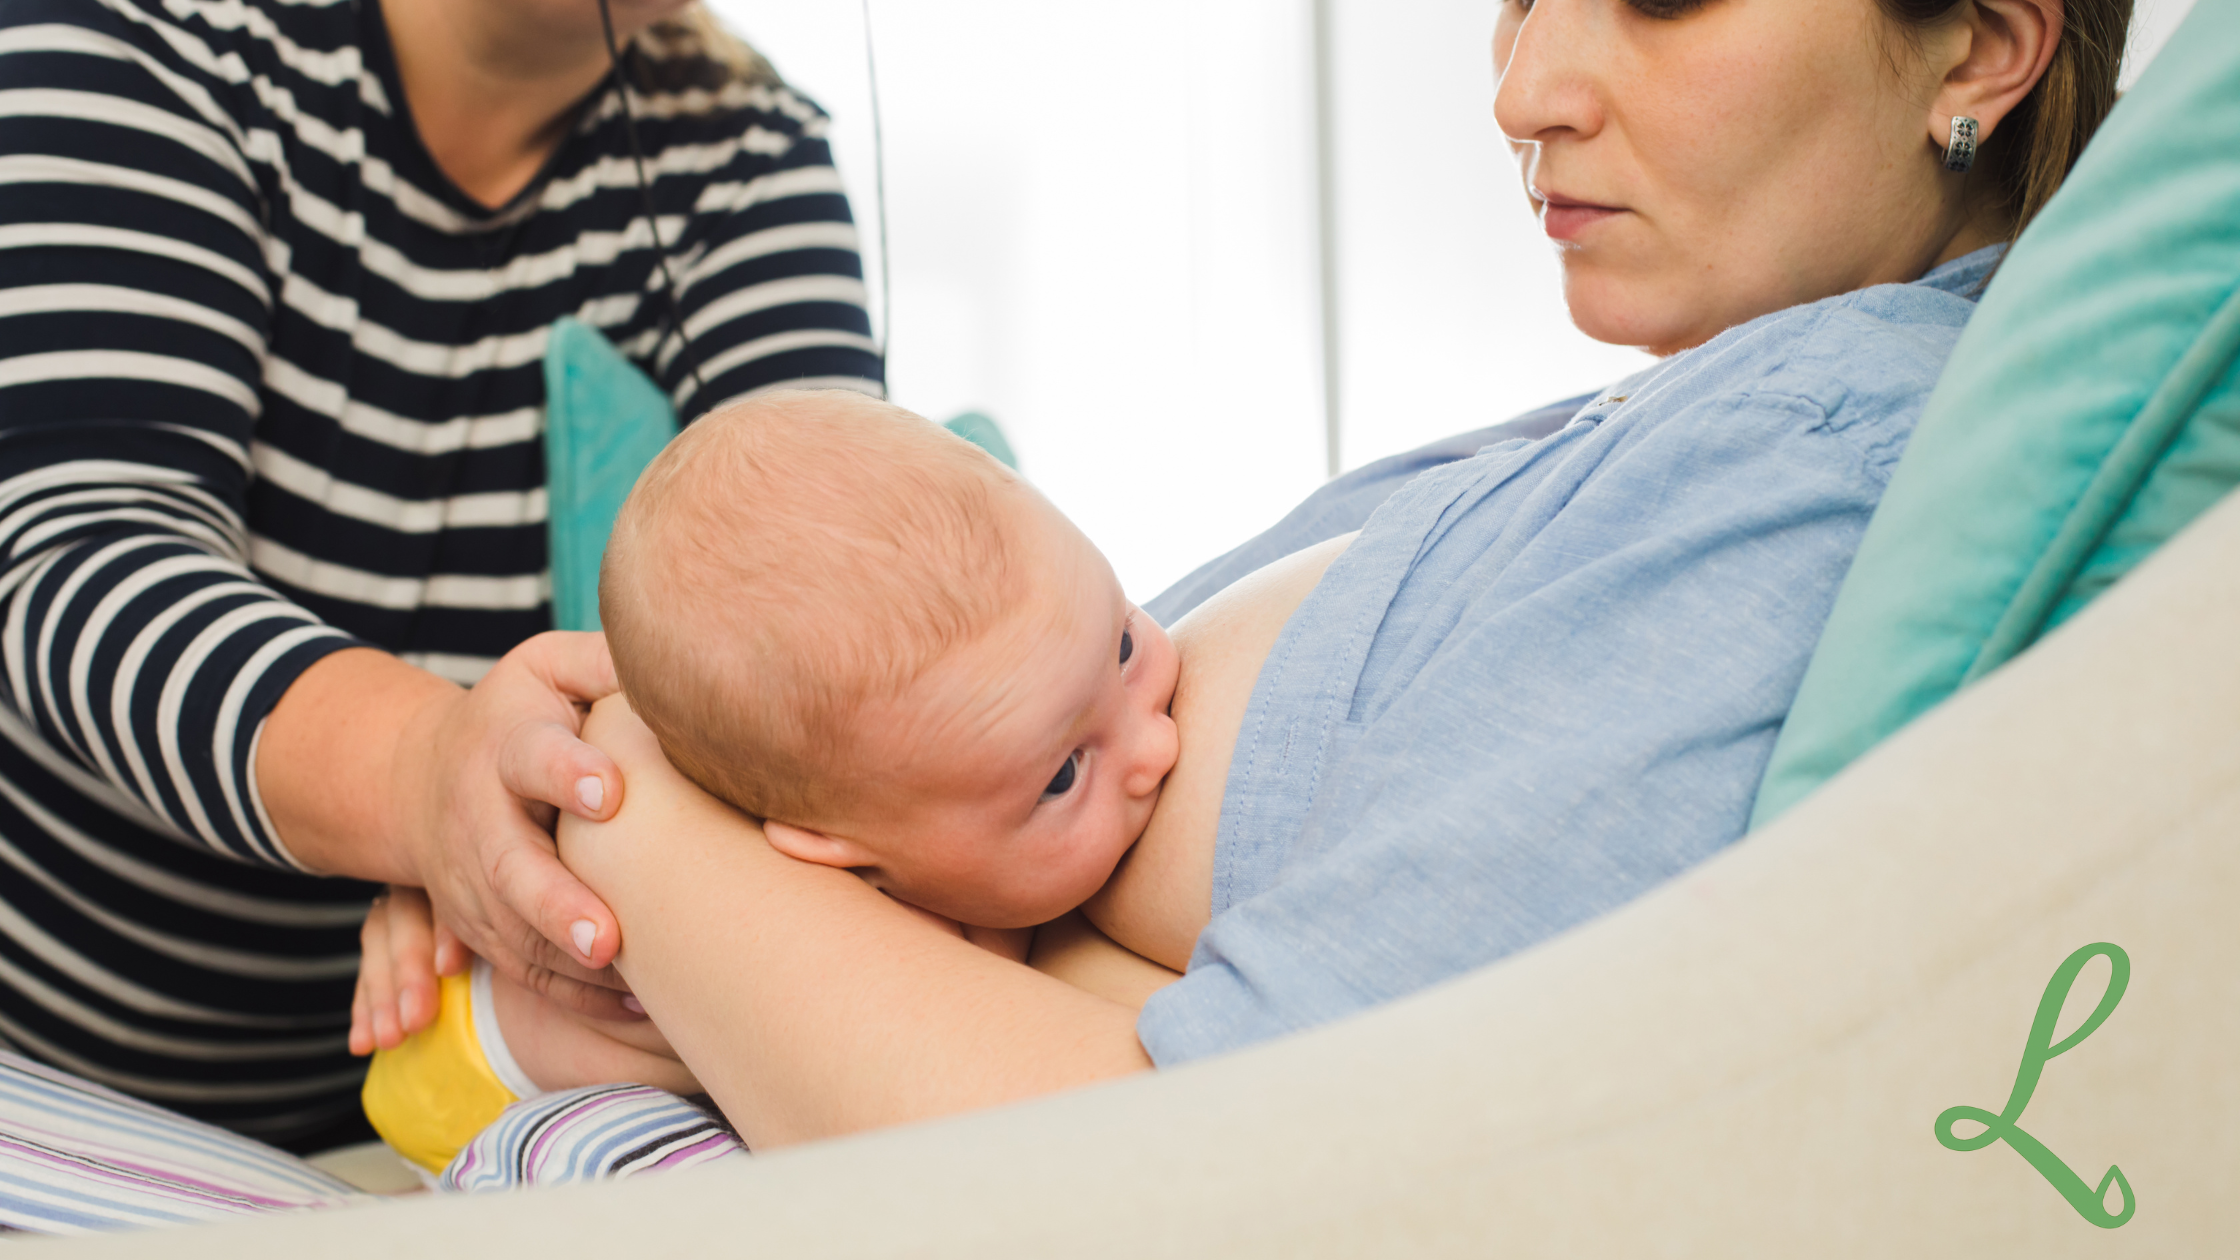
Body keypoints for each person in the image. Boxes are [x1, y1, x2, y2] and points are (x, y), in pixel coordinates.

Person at [383, 0, 2134, 1155]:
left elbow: (1236, 1160)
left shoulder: (1817, 459)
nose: (1522, 89)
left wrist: (615, 811)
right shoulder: (1674, 414)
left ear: (1980, 46)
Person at [0, 0, 881, 1149]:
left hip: (446, 1114)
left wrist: (515, 824)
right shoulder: (138, 37)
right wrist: (433, 787)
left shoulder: (749, 158)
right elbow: (77, 555)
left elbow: (826, 649)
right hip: (42, 1073)